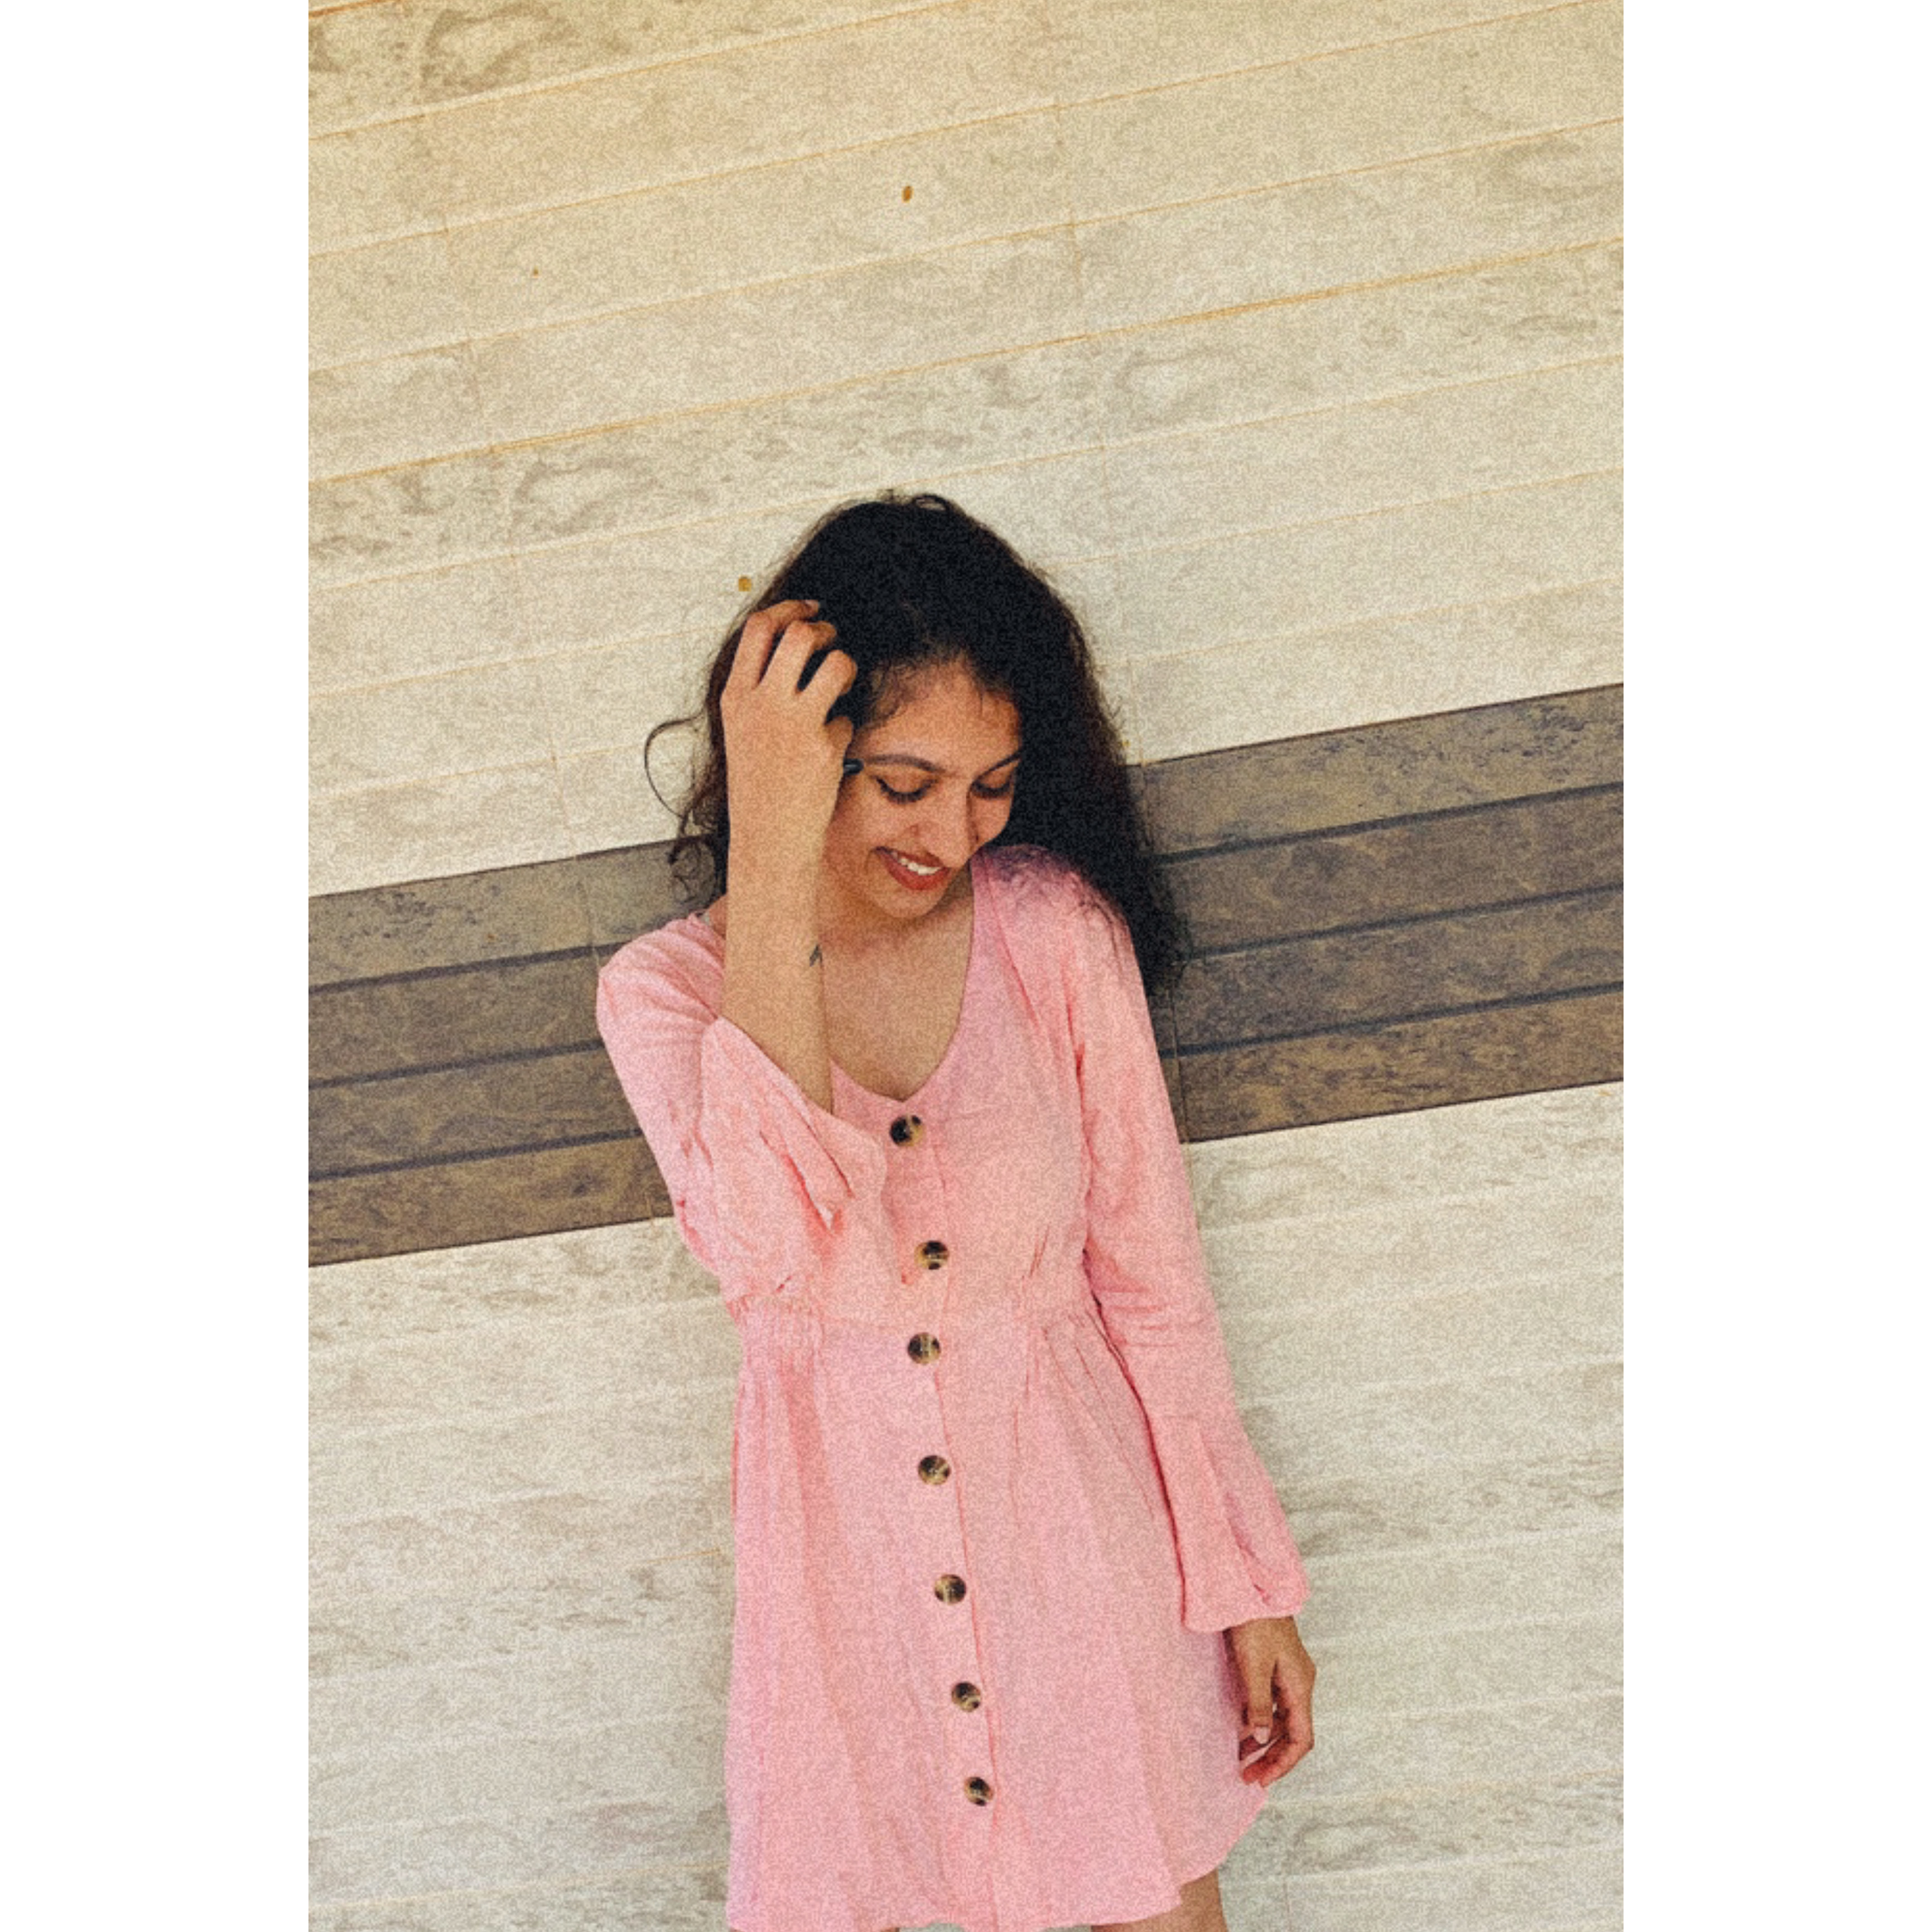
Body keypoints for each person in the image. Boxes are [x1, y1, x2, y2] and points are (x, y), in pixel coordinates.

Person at [596, 494, 1316, 1932]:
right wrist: (774, 846)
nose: (951, 833)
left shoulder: (1053, 930)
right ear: (799, 753)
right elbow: (776, 1250)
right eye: (903, 782)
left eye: (991, 786)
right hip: (844, 1593)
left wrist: (1251, 1588)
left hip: (1087, 1555)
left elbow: (1156, 1284)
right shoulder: (664, 996)